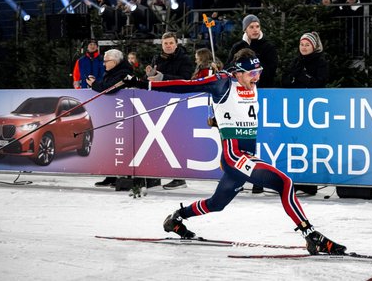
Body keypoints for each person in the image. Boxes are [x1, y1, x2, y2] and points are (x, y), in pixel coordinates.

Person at [123, 48, 347, 255]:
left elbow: (233, 111)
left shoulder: (249, 83)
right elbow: (185, 85)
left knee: (217, 204)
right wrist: (144, 84)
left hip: (246, 157)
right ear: (239, 72)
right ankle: (310, 234)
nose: (257, 77)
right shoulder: (222, 82)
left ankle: (176, 218)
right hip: (235, 157)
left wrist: (217, 120)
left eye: (259, 72)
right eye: (252, 73)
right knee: (285, 183)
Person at [227, 14, 278, 194]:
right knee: (242, 140)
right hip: (239, 98)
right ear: (245, 29)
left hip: (260, 95)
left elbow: (271, 71)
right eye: (251, 27)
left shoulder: (268, 47)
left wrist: (252, 79)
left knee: (259, 137)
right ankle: (240, 178)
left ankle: (259, 180)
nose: (255, 29)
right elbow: (229, 69)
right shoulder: (238, 47)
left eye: (257, 26)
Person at [281, 32, 328, 196]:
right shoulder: (296, 61)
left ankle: (310, 183)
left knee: (310, 145)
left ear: (314, 46)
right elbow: (285, 81)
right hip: (295, 109)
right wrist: (294, 78)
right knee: (295, 144)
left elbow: (318, 83)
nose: (304, 47)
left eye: (307, 44)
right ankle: (296, 180)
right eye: (302, 44)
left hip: (312, 109)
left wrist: (300, 76)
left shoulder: (320, 62)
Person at [147, 31, 194, 189]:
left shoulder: (185, 59)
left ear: (176, 43)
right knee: (157, 140)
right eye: (165, 43)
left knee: (176, 139)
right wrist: (151, 75)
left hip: (178, 100)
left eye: (171, 43)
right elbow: (155, 78)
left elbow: (186, 79)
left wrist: (163, 77)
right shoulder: (156, 58)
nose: (168, 46)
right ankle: (155, 176)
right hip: (158, 100)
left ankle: (179, 178)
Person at [87, 49, 132, 187]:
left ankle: (123, 176)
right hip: (111, 113)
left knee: (123, 147)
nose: (104, 64)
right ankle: (111, 175)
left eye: (106, 61)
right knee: (110, 146)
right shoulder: (112, 72)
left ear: (115, 61)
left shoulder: (124, 72)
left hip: (123, 114)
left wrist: (94, 85)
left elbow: (110, 88)